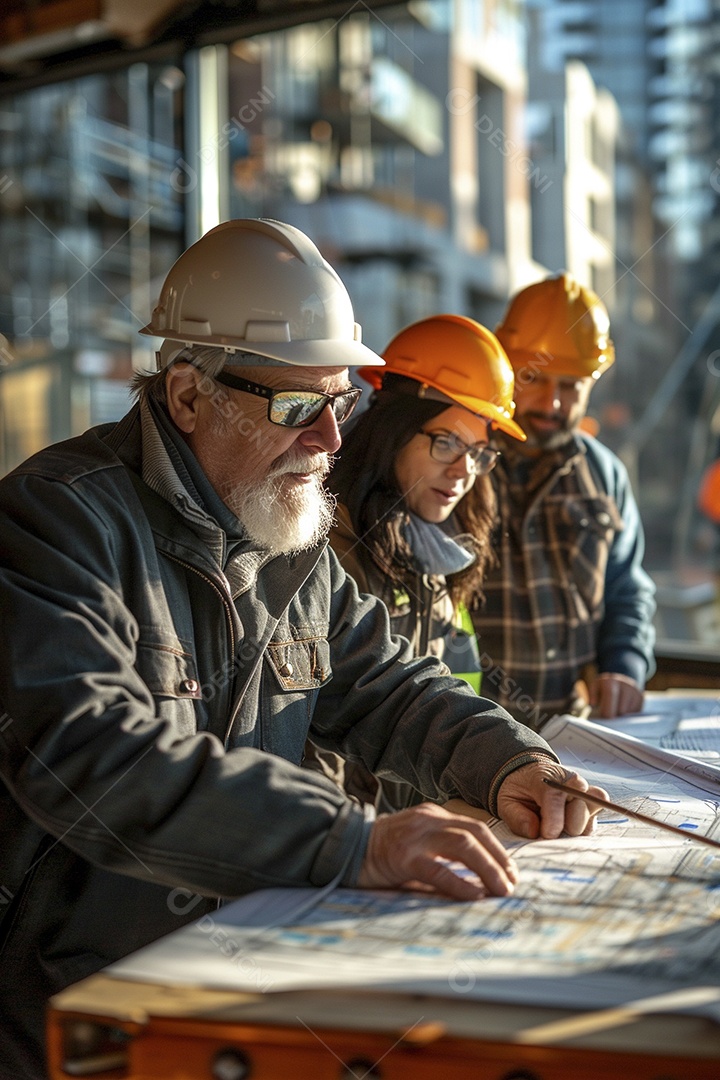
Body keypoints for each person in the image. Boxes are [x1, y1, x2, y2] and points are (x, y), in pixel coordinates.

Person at [0, 221, 604, 1079]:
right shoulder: (57, 524)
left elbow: (390, 686)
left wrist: (507, 761)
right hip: (81, 1010)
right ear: (186, 395)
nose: (329, 439)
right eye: (297, 406)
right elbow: (94, 756)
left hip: (249, 980)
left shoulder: (286, 535)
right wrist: (351, 841)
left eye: (340, 403)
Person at [306, 314, 526, 809]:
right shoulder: (325, 548)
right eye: (445, 442)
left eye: (478, 451)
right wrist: (363, 843)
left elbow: (454, 687)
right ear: (393, 429)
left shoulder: (440, 550)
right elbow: (306, 736)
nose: (464, 471)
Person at [472, 272, 656, 728]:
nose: (554, 403)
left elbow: (626, 589)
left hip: (571, 741)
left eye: (572, 385)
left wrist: (623, 665)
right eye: (536, 378)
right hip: (461, 744)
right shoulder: (460, 463)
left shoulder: (605, 474)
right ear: (506, 366)